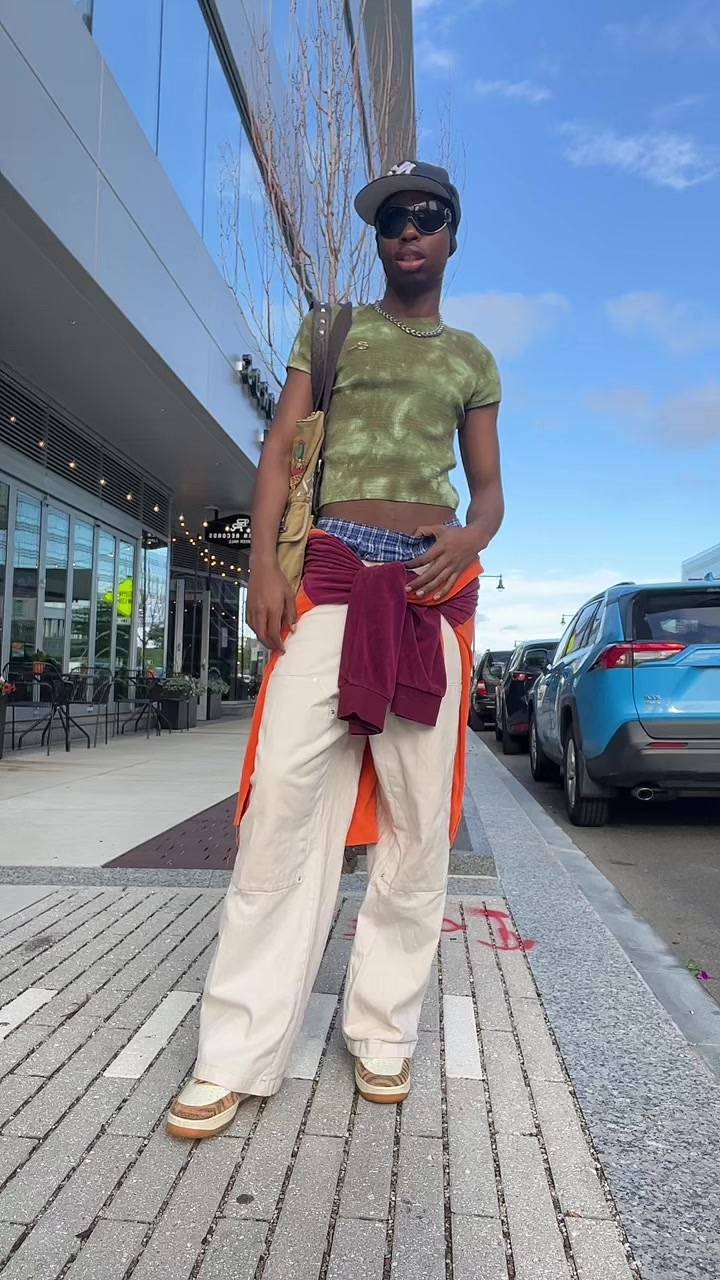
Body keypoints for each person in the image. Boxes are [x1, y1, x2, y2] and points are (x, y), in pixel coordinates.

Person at [168, 162, 504, 1139]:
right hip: (332, 575)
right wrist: (259, 570)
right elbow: (281, 446)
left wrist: (471, 538)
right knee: (281, 798)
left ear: (452, 235)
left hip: (428, 591)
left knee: (417, 819)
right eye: (393, 220)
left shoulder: (473, 357)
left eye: (428, 216)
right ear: (380, 239)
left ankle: (382, 1029)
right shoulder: (332, 330)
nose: (409, 231)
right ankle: (237, 1049)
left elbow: (488, 489)